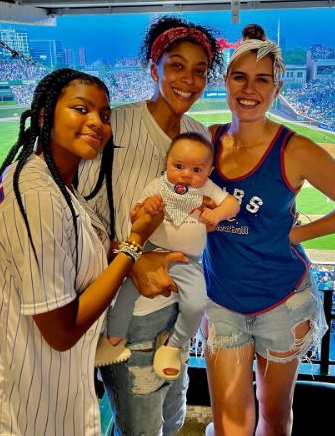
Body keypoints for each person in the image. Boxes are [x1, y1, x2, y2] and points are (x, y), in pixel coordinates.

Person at [0, 69, 164, 435]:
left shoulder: (52, 185)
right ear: (45, 116)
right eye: (81, 109)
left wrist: (123, 255)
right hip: (27, 410)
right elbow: (61, 330)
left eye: (105, 115)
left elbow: (70, 257)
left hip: (47, 395)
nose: (97, 122)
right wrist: (135, 243)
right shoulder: (38, 194)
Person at [202, 36, 335, 435]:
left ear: (277, 89)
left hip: (283, 301)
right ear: (225, 81)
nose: (249, 89)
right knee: (229, 422)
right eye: (240, 77)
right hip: (222, 301)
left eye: (262, 80)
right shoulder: (205, 140)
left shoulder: (294, 149)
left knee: (275, 418)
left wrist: (296, 234)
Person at [77, 16, 223, 436]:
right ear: (153, 67)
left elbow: (202, 204)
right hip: (131, 308)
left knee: (174, 414)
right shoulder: (115, 125)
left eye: (200, 70)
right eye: (176, 65)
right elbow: (79, 211)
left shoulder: (197, 133)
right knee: (141, 427)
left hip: (181, 302)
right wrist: (130, 256)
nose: (189, 80)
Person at [97, 133, 240, 380]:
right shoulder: (157, 185)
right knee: (125, 295)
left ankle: (173, 345)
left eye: (197, 169)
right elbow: (137, 216)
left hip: (188, 261)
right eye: (179, 166)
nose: (186, 174)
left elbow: (232, 204)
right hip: (151, 253)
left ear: (209, 171)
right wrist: (147, 207)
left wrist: (217, 215)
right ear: (167, 162)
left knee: (196, 305)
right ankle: (113, 339)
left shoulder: (206, 188)